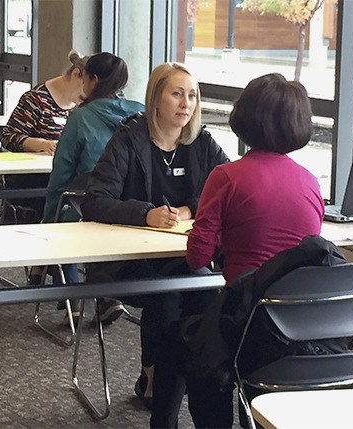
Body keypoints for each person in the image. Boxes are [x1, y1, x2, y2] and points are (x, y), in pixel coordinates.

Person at [149, 73, 325, 429]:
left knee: (176, 339)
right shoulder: (310, 181)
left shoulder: (227, 176)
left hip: (248, 323)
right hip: (303, 328)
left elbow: (198, 258)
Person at [80, 62, 229, 409]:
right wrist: (146, 214)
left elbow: (229, 188)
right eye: (177, 94)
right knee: (168, 295)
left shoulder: (203, 143)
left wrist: (191, 209)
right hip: (127, 260)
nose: (186, 104)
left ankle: (183, 375)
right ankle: (155, 377)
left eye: (192, 96)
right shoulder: (128, 140)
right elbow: (95, 201)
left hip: (183, 255)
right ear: (155, 99)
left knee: (204, 289)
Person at [40, 52, 144, 301]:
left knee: (63, 218)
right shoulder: (141, 113)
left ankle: (74, 299)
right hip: (132, 206)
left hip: (84, 205)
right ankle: (106, 298)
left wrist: (48, 217)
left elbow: (61, 174)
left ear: (93, 80)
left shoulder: (80, 117)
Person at [0, 49, 89, 223]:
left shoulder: (84, 106)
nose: (85, 96)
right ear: (76, 75)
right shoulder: (36, 99)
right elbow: (9, 136)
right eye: (84, 88)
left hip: (68, 173)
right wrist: (41, 144)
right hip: (35, 176)